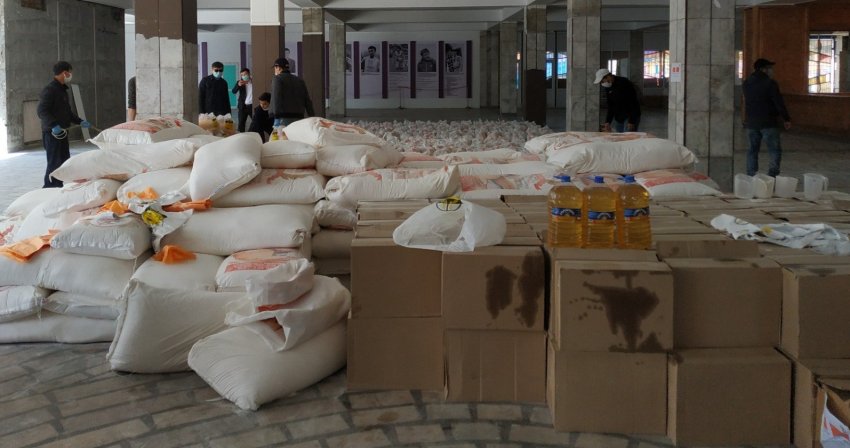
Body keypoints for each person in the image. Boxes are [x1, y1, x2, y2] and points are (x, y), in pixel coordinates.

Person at [37, 61, 89, 188]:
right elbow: (41, 111)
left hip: (62, 133)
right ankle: (49, 188)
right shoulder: (50, 90)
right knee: (54, 163)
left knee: (64, 161)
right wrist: (53, 125)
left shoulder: (62, 90)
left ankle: (58, 186)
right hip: (52, 133)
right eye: (69, 72)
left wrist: (80, 121)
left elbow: (67, 112)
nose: (70, 75)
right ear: (64, 73)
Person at [743, 58, 792, 177]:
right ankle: (772, 175)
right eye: (769, 68)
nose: (771, 71)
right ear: (763, 69)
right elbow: (778, 102)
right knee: (774, 150)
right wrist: (786, 118)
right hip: (768, 122)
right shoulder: (770, 83)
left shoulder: (746, 83)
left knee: (752, 150)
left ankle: (751, 175)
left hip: (751, 122)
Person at [594, 68, 641, 132]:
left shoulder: (624, 82)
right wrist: (608, 122)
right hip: (619, 118)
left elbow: (632, 102)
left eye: (602, 81)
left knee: (628, 137)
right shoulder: (608, 87)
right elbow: (611, 105)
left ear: (608, 76)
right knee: (619, 136)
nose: (602, 84)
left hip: (630, 116)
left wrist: (631, 121)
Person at [271, 58, 314, 127]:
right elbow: (307, 100)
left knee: (280, 134)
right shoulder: (299, 80)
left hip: (283, 117)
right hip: (299, 117)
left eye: (275, 68)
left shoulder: (277, 79)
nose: (275, 70)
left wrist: (276, 115)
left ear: (278, 67)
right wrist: (312, 116)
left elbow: (276, 97)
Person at [232, 68, 253, 132]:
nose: (244, 76)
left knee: (256, 122)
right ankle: (242, 136)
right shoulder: (240, 82)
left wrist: (250, 82)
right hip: (242, 106)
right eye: (242, 75)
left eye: (245, 74)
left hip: (252, 106)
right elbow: (233, 91)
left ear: (249, 74)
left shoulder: (254, 81)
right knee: (241, 124)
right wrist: (238, 85)